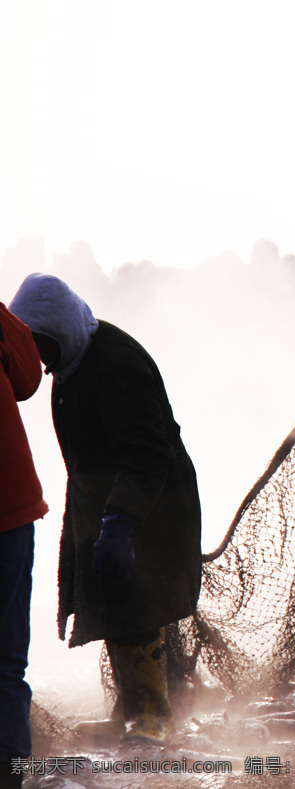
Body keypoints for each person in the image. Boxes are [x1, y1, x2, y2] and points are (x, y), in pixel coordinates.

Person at [9, 273, 202, 745]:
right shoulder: (73, 363)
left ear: (60, 331)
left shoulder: (116, 365)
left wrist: (120, 523)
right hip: (105, 502)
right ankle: (131, 709)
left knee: (137, 604)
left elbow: (146, 454)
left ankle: (154, 717)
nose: (37, 356)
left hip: (151, 505)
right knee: (114, 605)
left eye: (40, 344)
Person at [1, 302, 48, 788]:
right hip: (9, 508)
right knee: (6, 661)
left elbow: (29, 377)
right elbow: (28, 376)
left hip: (10, 507)